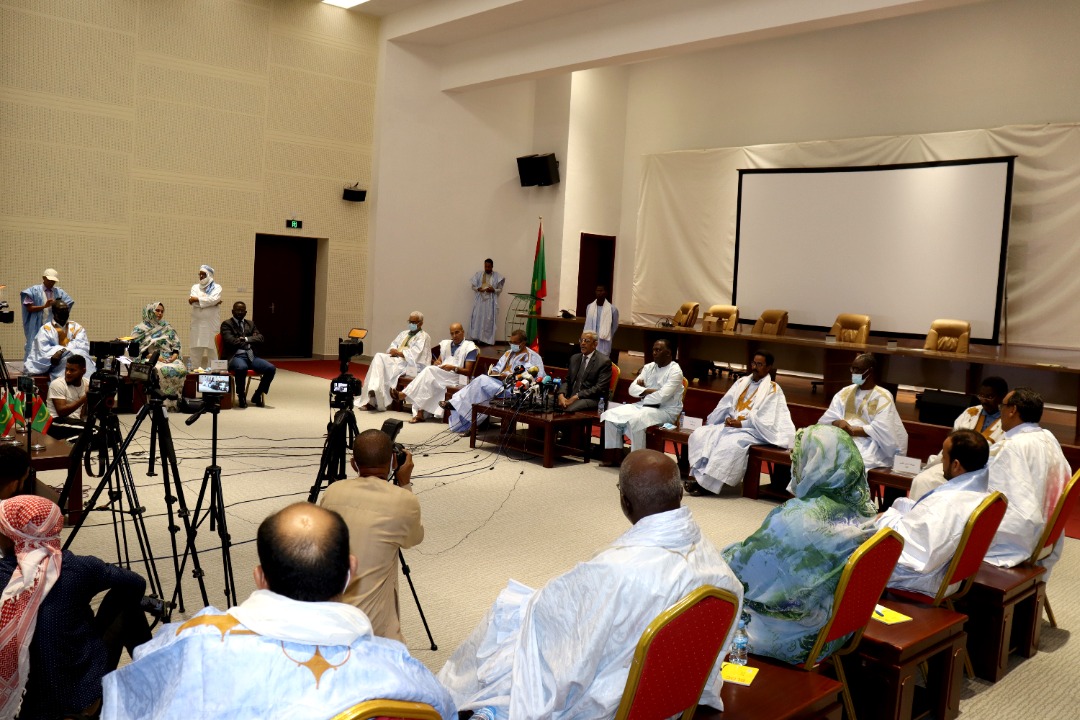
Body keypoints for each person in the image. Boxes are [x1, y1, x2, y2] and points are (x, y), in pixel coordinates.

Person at [438, 450, 743, 719]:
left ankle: (455, 706)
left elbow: (563, 634)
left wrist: (533, 607)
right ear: (678, 494)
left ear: (625, 501)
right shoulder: (712, 559)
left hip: (615, 699)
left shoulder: (615, 570)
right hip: (668, 694)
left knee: (510, 615)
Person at [101, 503, 455, 720]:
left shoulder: (193, 642)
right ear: (350, 572)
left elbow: (131, 701)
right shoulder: (400, 670)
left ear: (259, 578)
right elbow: (445, 711)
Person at [721, 424, 877, 665]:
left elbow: (743, 572)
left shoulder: (797, 518)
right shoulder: (862, 510)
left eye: (798, 458)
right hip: (838, 628)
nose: (794, 466)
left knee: (703, 606)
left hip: (797, 633)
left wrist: (721, 556)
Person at [0, 495, 151, 719]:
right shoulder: (80, 567)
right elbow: (136, 583)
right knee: (128, 601)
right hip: (84, 701)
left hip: (22, 709)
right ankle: (155, 680)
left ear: (11, 536)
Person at [318, 430, 423, 642]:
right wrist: (405, 484)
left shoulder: (332, 492)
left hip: (329, 615)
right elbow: (414, 538)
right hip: (369, 628)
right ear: (394, 461)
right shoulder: (403, 500)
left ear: (353, 464)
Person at [877, 429, 991, 596]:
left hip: (926, 580)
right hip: (950, 575)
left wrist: (885, 519)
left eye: (944, 456)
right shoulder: (980, 494)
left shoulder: (948, 504)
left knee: (849, 552)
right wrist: (899, 512)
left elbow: (915, 553)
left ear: (956, 465)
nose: (941, 461)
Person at [984, 387, 1072, 574]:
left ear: (1012, 410)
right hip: (1048, 534)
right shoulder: (1048, 437)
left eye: (1002, 406)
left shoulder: (1012, 447)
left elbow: (1008, 507)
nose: (1000, 411)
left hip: (1022, 541)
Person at [686, 351, 796, 495]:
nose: (754, 367)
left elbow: (766, 420)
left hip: (754, 431)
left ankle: (706, 486)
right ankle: (698, 477)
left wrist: (742, 424)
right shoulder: (741, 382)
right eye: (753, 363)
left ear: (768, 367)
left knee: (729, 444)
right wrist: (727, 418)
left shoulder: (772, 389)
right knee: (701, 434)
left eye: (759, 364)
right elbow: (726, 404)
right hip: (732, 426)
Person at [909, 376, 1008, 501]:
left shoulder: (1007, 421)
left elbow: (1001, 452)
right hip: (954, 465)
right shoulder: (970, 412)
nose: (984, 400)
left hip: (983, 471)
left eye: (989, 397)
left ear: (1002, 397)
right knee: (923, 480)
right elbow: (952, 441)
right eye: (981, 396)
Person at [817, 352, 908, 469]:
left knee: (845, 459)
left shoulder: (883, 396)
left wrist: (852, 430)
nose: (853, 373)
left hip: (868, 443)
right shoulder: (845, 392)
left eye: (858, 370)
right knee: (817, 448)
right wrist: (838, 422)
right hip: (840, 436)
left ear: (870, 371)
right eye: (852, 369)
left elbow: (883, 429)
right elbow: (829, 417)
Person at [447, 328, 545, 433]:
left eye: (515, 343)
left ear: (523, 342)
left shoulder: (533, 357)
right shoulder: (508, 353)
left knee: (481, 381)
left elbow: (537, 376)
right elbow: (498, 367)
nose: (512, 345)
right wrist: (494, 372)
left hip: (515, 389)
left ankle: (456, 404)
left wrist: (511, 376)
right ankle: (470, 423)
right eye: (511, 342)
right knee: (478, 387)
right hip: (500, 384)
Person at [601, 339, 683, 463]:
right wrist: (648, 391)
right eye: (653, 350)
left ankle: (637, 461)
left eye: (658, 350)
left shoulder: (675, 371)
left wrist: (643, 392)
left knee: (637, 420)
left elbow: (662, 397)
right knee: (610, 415)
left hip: (666, 411)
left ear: (668, 353)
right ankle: (614, 456)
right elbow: (632, 389)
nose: (654, 353)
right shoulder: (649, 367)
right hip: (644, 405)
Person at [401, 322, 478, 423]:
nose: (454, 336)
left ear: (463, 332)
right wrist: (437, 363)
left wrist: (453, 368)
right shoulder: (446, 344)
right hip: (442, 374)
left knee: (428, 371)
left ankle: (404, 394)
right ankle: (420, 413)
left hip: (458, 377)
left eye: (457, 332)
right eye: (452, 333)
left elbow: (468, 371)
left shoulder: (469, 347)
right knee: (427, 380)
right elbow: (439, 361)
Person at [359, 312, 432, 412]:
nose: (411, 324)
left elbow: (416, 354)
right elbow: (393, 344)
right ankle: (373, 392)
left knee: (382, 369)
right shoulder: (404, 333)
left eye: (414, 322)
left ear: (421, 323)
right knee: (378, 357)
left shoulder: (424, 337)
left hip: (411, 365)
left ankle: (373, 399)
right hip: (397, 360)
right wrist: (393, 350)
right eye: (410, 321)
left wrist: (398, 353)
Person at [220, 301, 276, 408]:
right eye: (237, 310)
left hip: (251, 356)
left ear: (246, 312)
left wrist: (245, 339)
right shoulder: (227, 324)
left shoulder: (250, 324)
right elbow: (230, 341)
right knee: (242, 368)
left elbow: (260, 338)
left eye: (242, 310)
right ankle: (241, 395)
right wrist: (251, 339)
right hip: (235, 356)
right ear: (232, 311)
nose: (240, 312)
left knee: (271, 368)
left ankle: (258, 394)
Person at [23, 299, 96, 380]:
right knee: (70, 357)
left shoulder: (77, 327)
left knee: (80, 355)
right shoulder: (45, 329)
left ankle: (87, 383)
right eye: (61, 310)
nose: (65, 312)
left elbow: (82, 346)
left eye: (66, 310)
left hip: (76, 360)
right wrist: (63, 353)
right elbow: (43, 350)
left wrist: (61, 351)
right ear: (54, 312)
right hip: (57, 364)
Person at [129, 302, 188, 400]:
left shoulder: (167, 326)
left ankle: (174, 401)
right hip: (150, 358)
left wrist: (174, 356)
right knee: (159, 370)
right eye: (157, 310)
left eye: (162, 311)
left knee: (181, 369)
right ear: (149, 311)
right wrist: (155, 357)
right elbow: (136, 348)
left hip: (168, 358)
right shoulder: (139, 329)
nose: (160, 313)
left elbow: (176, 344)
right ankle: (157, 400)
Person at [20, 268, 74, 358]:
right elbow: (29, 308)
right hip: (37, 326)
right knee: (35, 347)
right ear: (44, 278)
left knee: (54, 348)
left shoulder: (59, 292)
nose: (51, 283)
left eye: (53, 281)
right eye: (49, 280)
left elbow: (68, 304)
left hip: (54, 327)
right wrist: (44, 306)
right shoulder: (33, 291)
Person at [556, 331, 611, 412]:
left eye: (587, 341)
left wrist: (577, 396)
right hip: (571, 395)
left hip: (591, 398)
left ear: (595, 344)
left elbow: (600, 388)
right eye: (581, 340)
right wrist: (561, 394)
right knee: (546, 403)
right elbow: (567, 380)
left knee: (568, 409)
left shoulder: (604, 362)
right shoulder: (574, 358)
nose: (583, 343)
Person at [46, 352, 89, 439]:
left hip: (73, 423)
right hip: (55, 423)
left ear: (83, 371)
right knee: (92, 431)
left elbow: (83, 411)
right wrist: (86, 396)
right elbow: (62, 412)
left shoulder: (86, 383)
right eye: (66, 369)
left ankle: (71, 442)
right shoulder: (57, 384)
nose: (68, 373)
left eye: (72, 370)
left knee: (105, 433)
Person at [188, 264, 222, 368]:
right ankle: (194, 372)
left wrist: (198, 299)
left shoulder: (217, 287)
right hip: (197, 326)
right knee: (195, 351)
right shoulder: (195, 287)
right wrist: (212, 302)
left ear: (209, 275)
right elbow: (193, 302)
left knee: (213, 351)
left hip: (211, 326)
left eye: (203, 274)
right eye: (200, 274)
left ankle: (213, 374)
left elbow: (213, 299)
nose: (201, 276)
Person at [468, 258, 504, 346]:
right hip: (480, 301)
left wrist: (493, 290)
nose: (487, 268)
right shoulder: (479, 274)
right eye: (485, 266)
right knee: (477, 318)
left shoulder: (497, 276)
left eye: (489, 267)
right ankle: (477, 338)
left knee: (488, 321)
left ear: (492, 266)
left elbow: (500, 289)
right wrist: (478, 289)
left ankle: (487, 340)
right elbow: (473, 286)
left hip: (490, 302)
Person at [582, 284, 620, 357]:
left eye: (601, 291)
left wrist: (606, 334)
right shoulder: (589, 307)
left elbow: (614, 327)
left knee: (602, 361)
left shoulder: (613, 309)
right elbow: (587, 322)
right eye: (597, 291)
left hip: (604, 341)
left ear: (605, 292)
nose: (599, 293)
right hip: (591, 340)